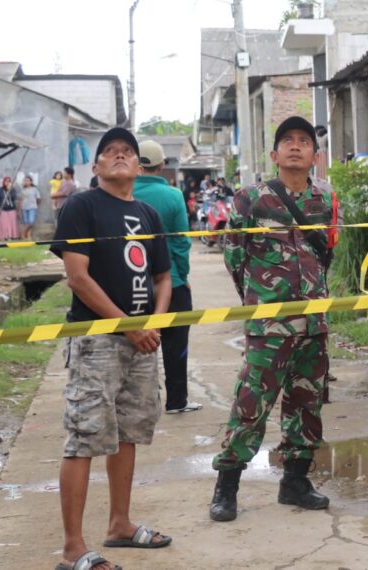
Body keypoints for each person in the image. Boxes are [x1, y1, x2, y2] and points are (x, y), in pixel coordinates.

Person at [50, 127, 174, 570]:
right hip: (97, 340)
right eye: (110, 152)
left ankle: (120, 524)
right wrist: (127, 327)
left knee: (128, 433)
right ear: (97, 166)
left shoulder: (147, 213)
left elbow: (163, 277)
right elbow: (78, 277)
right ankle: (73, 548)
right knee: (84, 436)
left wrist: (154, 321)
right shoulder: (81, 206)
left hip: (143, 342)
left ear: (140, 167)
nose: (119, 156)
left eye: (128, 152)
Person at [209, 116, 339, 522]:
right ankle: (226, 486)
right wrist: (258, 301)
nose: (296, 146)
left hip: (313, 321)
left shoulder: (324, 199)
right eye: (288, 141)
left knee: (306, 403)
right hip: (269, 324)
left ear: (315, 155)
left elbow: (327, 253)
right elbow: (234, 255)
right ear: (274, 154)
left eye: (304, 141)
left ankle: (295, 482)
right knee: (252, 402)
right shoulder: (251, 199)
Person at [133, 140, 200, 415]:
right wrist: (181, 275)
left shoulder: (122, 193)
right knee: (175, 342)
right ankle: (176, 401)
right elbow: (181, 243)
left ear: (137, 165)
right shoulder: (173, 196)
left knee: (134, 345)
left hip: (131, 283)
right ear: (162, 165)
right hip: (170, 281)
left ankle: (140, 403)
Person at [0, 176, 20, 240]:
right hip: (3, 209)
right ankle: (3, 236)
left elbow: (14, 198)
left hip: (11, 209)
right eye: (6, 181)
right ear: (3, 182)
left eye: (9, 181)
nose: (7, 183)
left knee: (11, 223)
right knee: (4, 224)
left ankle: (11, 236)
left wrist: (9, 190)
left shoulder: (13, 190)